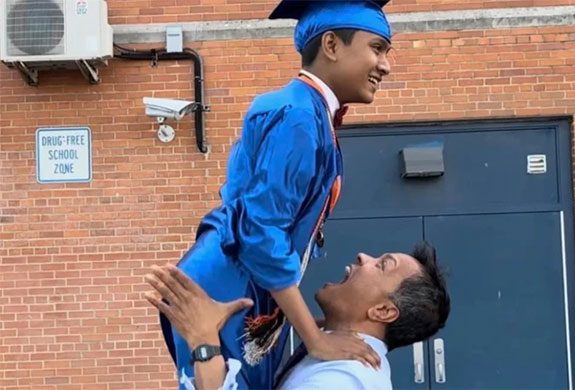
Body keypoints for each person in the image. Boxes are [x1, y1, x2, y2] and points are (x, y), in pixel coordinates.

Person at [158, 0, 395, 388]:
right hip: (227, 287)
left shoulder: (308, 112)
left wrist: (305, 321)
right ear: (332, 46)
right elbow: (261, 233)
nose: (385, 65)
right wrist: (314, 338)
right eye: (377, 48)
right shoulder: (297, 116)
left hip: (248, 282)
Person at [145, 242, 450, 389]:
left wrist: (204, 342)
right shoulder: (335, 354)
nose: (363, 257)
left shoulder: (343, 382)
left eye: (382, 265)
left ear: (383, 310)